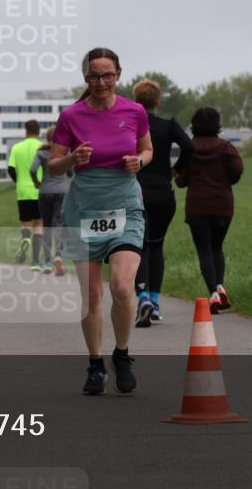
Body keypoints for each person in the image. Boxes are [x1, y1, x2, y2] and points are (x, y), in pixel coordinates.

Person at [48, 47, 152, 396]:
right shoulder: (71, 116)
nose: (101, 82)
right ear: (86, 78)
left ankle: (121, 354)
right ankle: (95, 364)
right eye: (94, 76)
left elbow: (147, 149)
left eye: (108, 75)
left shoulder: (134, 110)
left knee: (122, 286)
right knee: (91, 295)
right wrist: (73, 158)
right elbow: (53, 165)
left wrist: (140, 160)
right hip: (84, 208)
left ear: (119, 75)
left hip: (124, 204)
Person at [132, 79, 194, 326]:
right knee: (157, 246)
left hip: (137, 192)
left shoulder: (132, 124)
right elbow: (189, 146)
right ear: (157, 100)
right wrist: (175, 170)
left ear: (136, 99)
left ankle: (143, 296)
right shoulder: (168, 125)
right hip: (163, 194)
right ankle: (155, 303)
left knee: (139, 247)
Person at [175, 108, 242, 315]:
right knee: (217, 247)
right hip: (222, 205)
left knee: (204, 250)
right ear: (217, 124)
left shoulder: (189, 149)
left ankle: (213, 292)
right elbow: (237, 171)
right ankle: (220, 286)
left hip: (198, 206)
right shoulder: (226, 147)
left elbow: (180, 180)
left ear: (194, 125)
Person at [30, 125, 71, 276]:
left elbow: (33, 169)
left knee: (46, 225)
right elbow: (71, 171)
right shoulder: (65, 153)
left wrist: (37, 181)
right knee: (58, 223)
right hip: (61, 191)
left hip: (45, 191)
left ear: (47, 138)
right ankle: (58, 255)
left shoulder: (41, 153)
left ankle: (47, 263)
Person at [8, 119, 45, 270]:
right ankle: (36, 261)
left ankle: (25, 239)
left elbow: (11, 169)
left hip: (23, 191)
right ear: (38, 131)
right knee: (39, 225)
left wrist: (19, 182)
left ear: (26, 131)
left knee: (25, 223)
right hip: (40, 190)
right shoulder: (43, 148)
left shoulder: (16, 148)